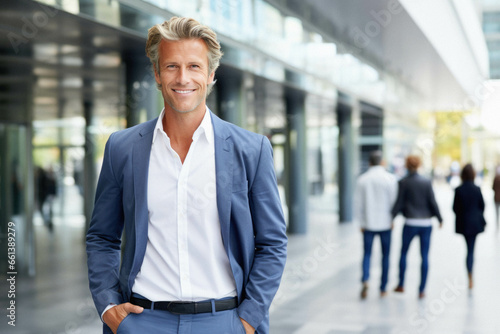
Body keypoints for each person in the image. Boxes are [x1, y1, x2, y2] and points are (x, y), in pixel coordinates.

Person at [86, 17, 287, 334]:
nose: (183, 78)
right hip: (143, 321)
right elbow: (102, 237)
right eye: (171, 67)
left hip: (224, 321)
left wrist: (248, 319)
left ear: (210, 74)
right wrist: (110, 308)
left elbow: (272, 242)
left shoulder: (252, 150)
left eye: (194, 66)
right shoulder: (122, 148)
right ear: (156, 73)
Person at [391, 155, 443, 299]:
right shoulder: (426, 182)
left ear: (407, 165)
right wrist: (439, 218)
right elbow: (432, 201)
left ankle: (401, 284)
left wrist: (392, 217)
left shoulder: (403, 182)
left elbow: (399, 203)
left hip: (410, 222)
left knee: (403, 253)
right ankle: (422, 290)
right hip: (426, 223)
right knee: (424, 256)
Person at [354, 151, 397, 299]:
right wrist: (392, 220)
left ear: (369, 163)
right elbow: (394, 202)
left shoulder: (362, 180)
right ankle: (383, 287)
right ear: (382, 162)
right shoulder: (390, 179)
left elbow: (358, 204)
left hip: (368, 224)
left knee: (367, 254)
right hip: (385, 223)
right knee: (386, 256)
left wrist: (361, 222)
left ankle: (365, 279)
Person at [453, 163, 486, 289]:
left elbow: (455, 208)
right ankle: (471, 275)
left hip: (464, 223)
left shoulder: (459, 189)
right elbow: (482, 206)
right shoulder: (476, 189)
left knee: (468, 250)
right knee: (471, 250)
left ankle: (469, 274)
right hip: (475, 223)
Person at [492, 166, 500, 232]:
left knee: (497, 212)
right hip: (497, 198)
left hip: (496, 197)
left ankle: (497, 223)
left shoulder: (495, 178)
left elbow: (493, 187)